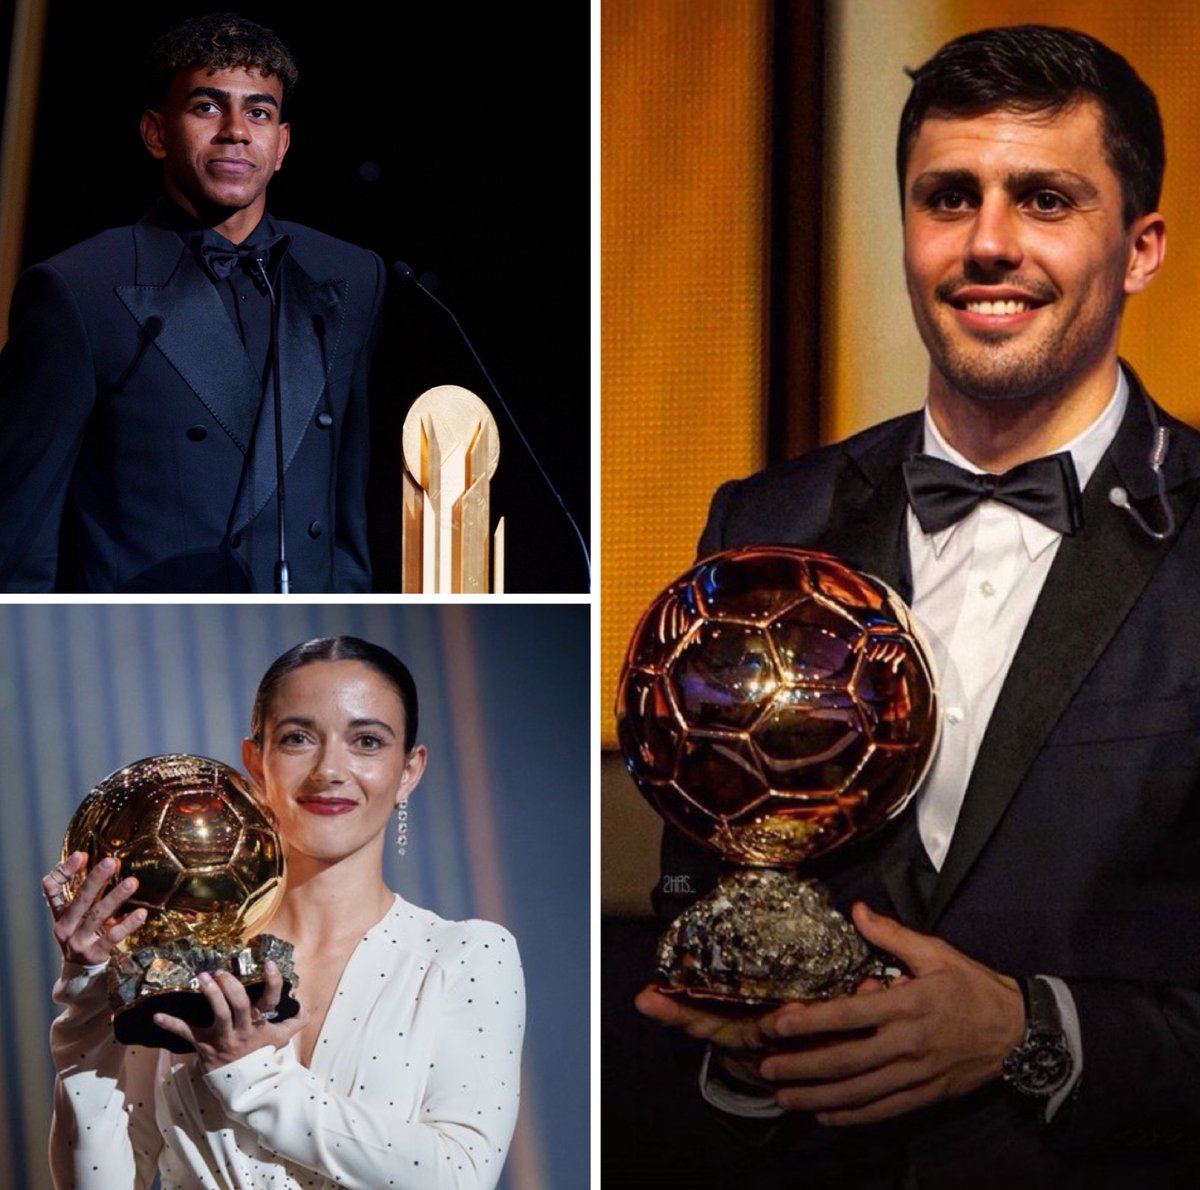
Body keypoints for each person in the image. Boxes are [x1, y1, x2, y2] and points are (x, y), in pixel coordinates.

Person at [635, 24, 1200, 1189]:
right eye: (949, 197)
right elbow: (700, 889)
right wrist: (747, 1050)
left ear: (1140, 248)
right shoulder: (762, 519)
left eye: (1045, 199)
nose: (988, 243)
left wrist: (1031, 1032)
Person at [43, 636, 524, 1189]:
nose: (330, 770)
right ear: (256, 761)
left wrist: (249, 1076)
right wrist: (86, 1001)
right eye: (298, 738)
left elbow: (459, 1176)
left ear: (409, 770)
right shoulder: (177, 955)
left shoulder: (465, 955)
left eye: (367, 741)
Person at [0, 14, 384, 591]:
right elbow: (18, 532)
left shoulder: (351, 275)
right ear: (156, 132)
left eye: (259, 112)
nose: (235, 130)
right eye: (207, 107)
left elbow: (346, 509)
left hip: (304, 633)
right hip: (149, 642)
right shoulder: (79, 288)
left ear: (281, 144)